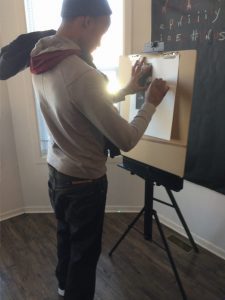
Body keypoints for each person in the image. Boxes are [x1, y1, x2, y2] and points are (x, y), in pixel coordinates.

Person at [29, 0, 169, 299]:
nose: (100, 42)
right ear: (85, 22)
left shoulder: (43, 55)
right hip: (83, 183)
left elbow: (79, 103)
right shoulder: (81, 72)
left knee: (66, 238)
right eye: (101, 33)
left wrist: (129, 88)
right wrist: (152, 103)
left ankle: (63, 288)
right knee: (85, 255)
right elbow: (127, 139)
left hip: (57, 172)